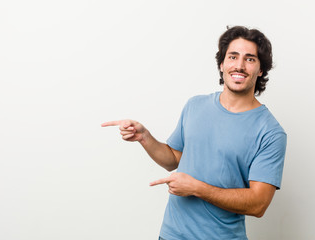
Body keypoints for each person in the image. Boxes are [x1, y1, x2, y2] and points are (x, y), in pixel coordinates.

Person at [101, 26, 287, 240]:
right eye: (233, 57)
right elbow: (173, 159)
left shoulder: (271, 132)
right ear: (222, 64)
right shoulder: (195, 106)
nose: (239, 65)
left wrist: (197, 189)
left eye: (250, 59)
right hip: (171, 235)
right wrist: (144, 137)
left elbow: (258, 204)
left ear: (261, 69)